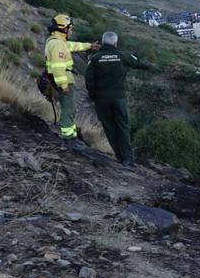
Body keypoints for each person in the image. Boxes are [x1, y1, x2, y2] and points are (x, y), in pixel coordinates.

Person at [84, 31, 152, 166]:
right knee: (123, 127)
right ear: (115, 43)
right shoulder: (122, 56)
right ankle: (128, 159)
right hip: (118, 98)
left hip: (101, 99)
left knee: (109, 128)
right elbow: (139, 64)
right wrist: (150, 66)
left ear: (103, 43)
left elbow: (89, 80)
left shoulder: (95, 58)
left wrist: (93, 95)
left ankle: (119, 157)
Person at [43, 13, 98, 141]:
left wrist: (89, 45)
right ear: (64, 28)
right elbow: (58, 67)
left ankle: (72, 135)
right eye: (70, 28)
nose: (71, 31)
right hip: (64, 81)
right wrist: (64, 85)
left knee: (70, 108)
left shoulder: (58, 42)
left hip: (63, 80)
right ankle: (69, 138)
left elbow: (73, 46)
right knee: (68, 109)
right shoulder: (58, 44)